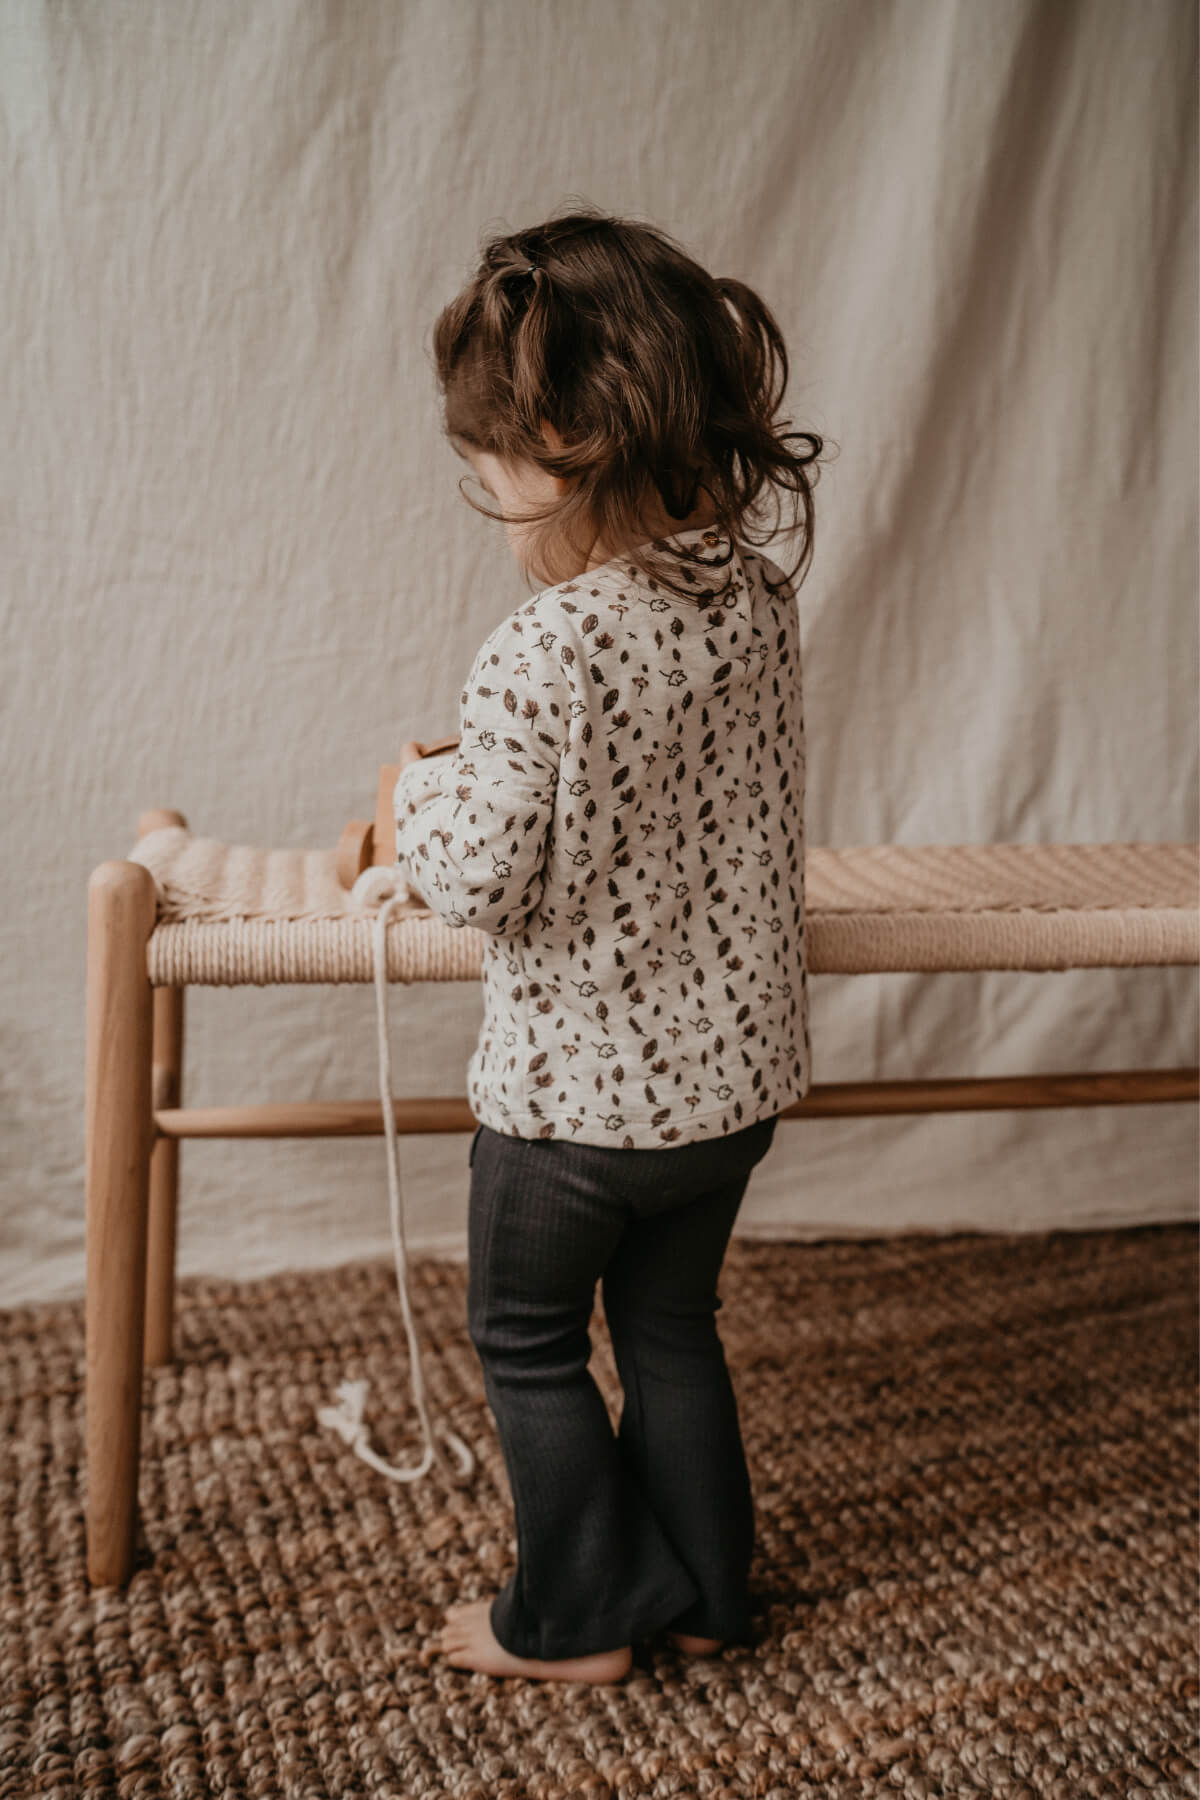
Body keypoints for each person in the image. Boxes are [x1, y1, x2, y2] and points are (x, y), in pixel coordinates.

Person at [390, 204, 826, 1684]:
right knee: (670, 1327)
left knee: (525, 1340)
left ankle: (572, 1620)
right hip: (731, 1092)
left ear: (573, 445)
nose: (491, 502)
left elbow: (482, 879)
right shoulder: (753, 599)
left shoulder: (547, 645)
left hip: (570, 1113)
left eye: (493, 476)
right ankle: (704, 1595)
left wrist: (411, 797)